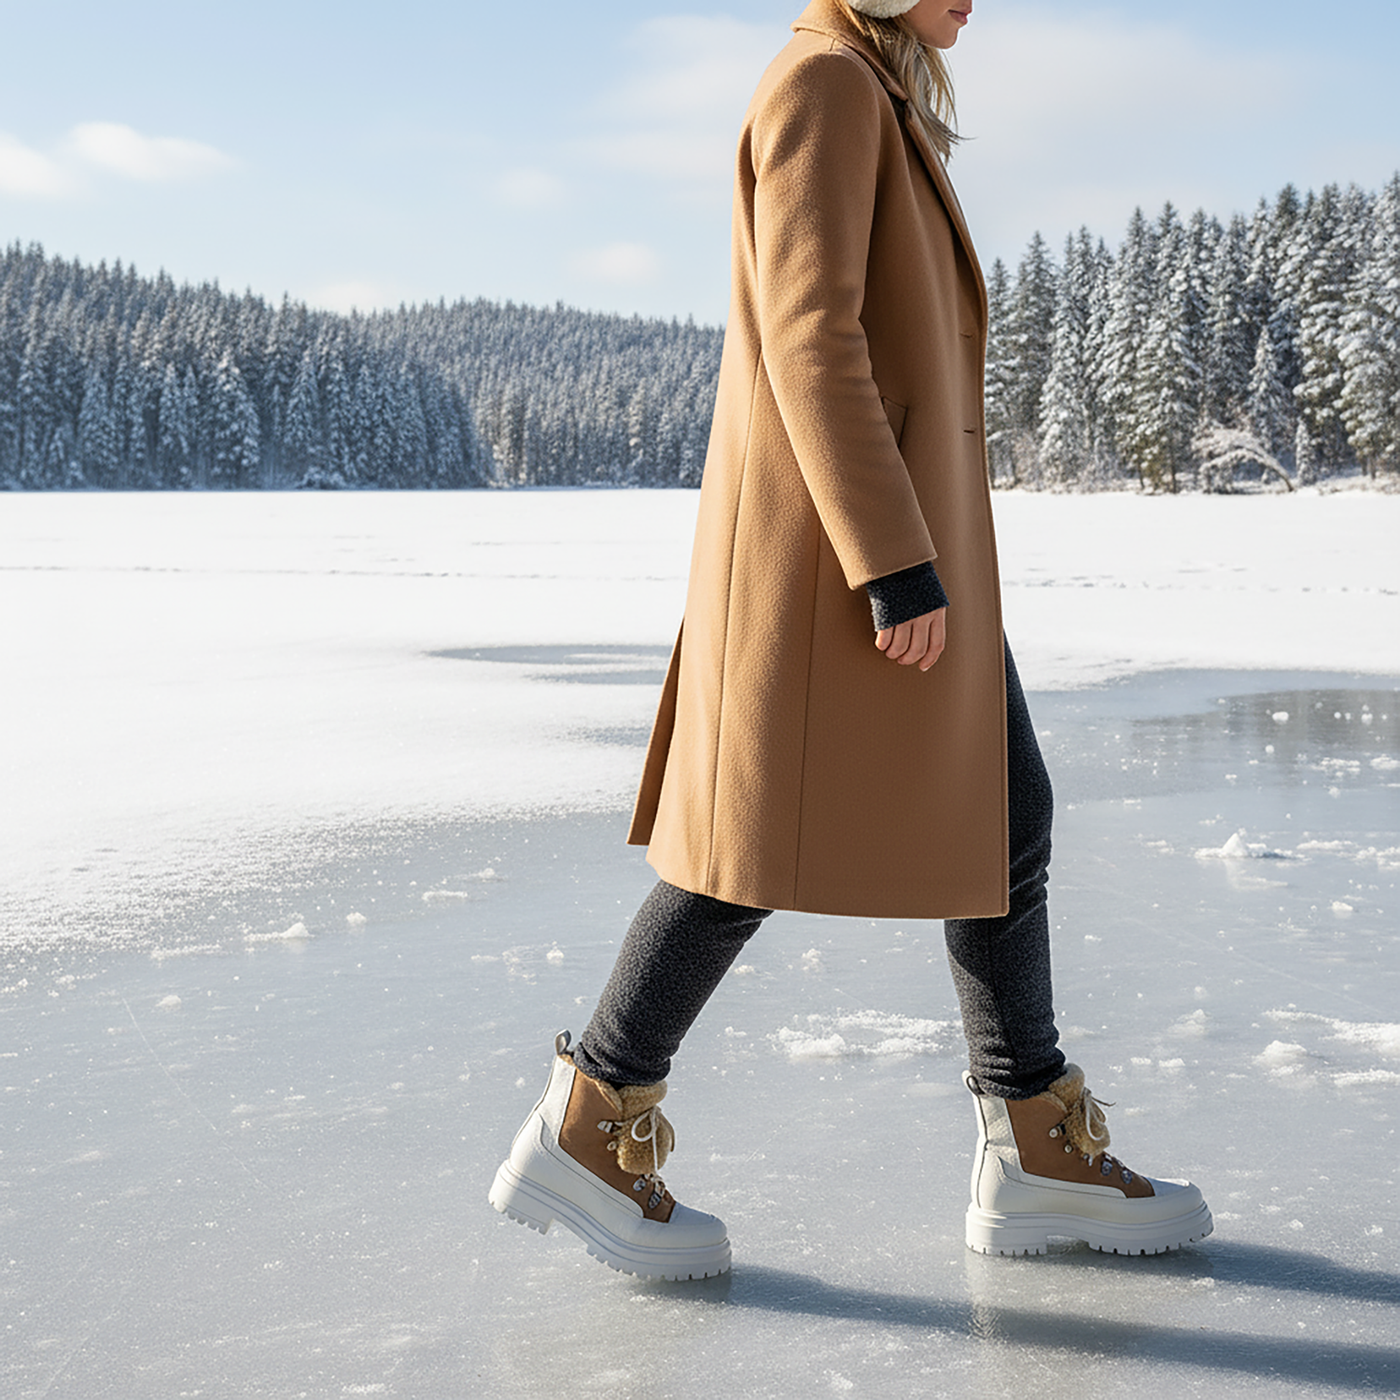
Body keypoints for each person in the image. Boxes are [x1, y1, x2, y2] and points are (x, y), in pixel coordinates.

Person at [489, 0, 1211, 1279]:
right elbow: (808, 337)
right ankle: (590, 1117)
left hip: (887, 548)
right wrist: (891, 561)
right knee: (743, 845)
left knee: (995, 813)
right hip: (839, 558)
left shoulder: (868, 88)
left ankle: (1029, 1138)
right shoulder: (822, 85)